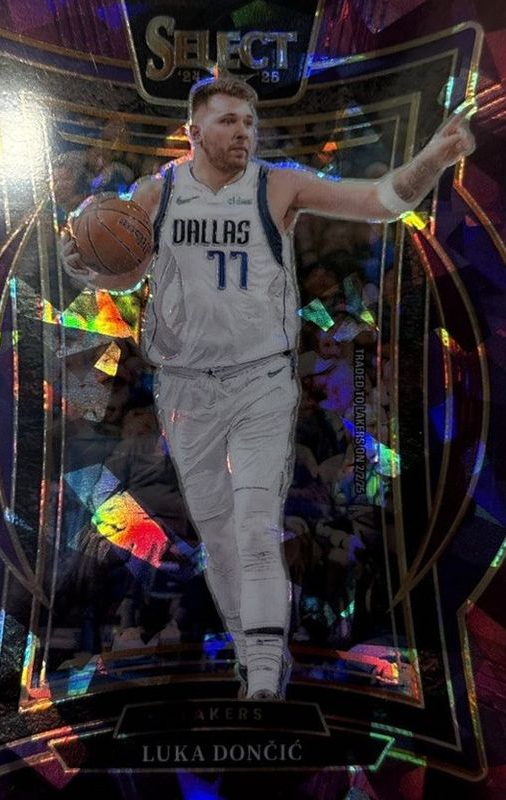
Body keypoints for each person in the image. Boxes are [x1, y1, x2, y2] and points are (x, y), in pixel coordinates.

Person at [60, 75, 475, 699]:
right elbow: (126, 273)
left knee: (256, 525)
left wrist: (434, 158)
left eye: (249, 123)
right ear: (195, 132)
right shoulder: (156, 192)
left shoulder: (278, 184)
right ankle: (252, 646)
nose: (243, 133)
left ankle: (261, 668)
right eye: (228, 122)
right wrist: (87, 266)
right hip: (185, 386)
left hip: (261, 381)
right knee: (219, 535)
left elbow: (381, 201)